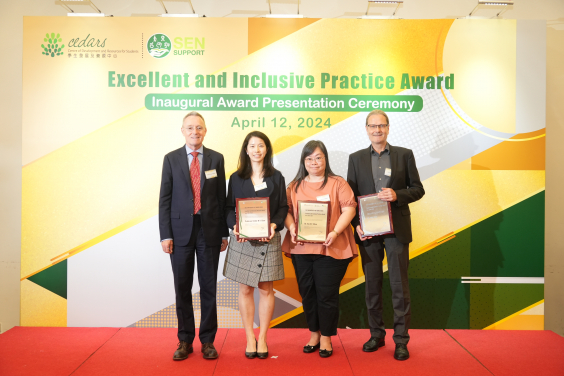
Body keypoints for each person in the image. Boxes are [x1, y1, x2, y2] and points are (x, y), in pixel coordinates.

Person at [347, 109, 425, 361]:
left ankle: (401, 340)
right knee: (372, 285)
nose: (377, 130)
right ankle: (376, 334)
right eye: (372, 126)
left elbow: (418, 189)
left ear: (388, 128)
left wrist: (397, 195)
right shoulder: (356, 158)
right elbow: (351, 198)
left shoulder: (404, 155)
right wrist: (355, 226)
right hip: (368, 233)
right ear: (367, 129)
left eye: (381, 126)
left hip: (397, 231)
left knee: (399, 286)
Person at [159, 111, 229, 361]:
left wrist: (224, 232)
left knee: (209, 287)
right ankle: (185, 340)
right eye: (190, 128)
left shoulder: (216, 159)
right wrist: (165, 234)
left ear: (205, 131)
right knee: (182, 288)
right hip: (179, 234)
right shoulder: (171, 159)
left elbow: (221, 199)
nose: (194, 132)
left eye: (199, 128)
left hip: (209, 230)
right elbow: (164, 200)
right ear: (182, 131)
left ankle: (208, 340)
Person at [282, 140, 357, 358]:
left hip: (331, 248)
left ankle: (326, 336)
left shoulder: (337, 183)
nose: (314, 162)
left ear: (325, 159)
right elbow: (285, 211)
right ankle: (314, 333)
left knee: (326, 294)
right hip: (301, 249)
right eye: (309, 158)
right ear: (303, 161)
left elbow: (349, 209)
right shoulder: (294, 186)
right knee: (307, 293)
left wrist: (335, 232)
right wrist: (293, 226)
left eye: (318, 157)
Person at [223, 131, 288, 359]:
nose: (257, 150)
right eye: (253, 145)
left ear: (267, 149)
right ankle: (249, 336)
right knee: (245, 289)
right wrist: (234, 227)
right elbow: (228, 208)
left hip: (268, 239)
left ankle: (263, 338)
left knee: (266, 289)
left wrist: (274, 225)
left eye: (261, 145)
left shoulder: (276, 177)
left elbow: (282, 208)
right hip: (243, 240)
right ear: (246, 149)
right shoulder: (236, 177)